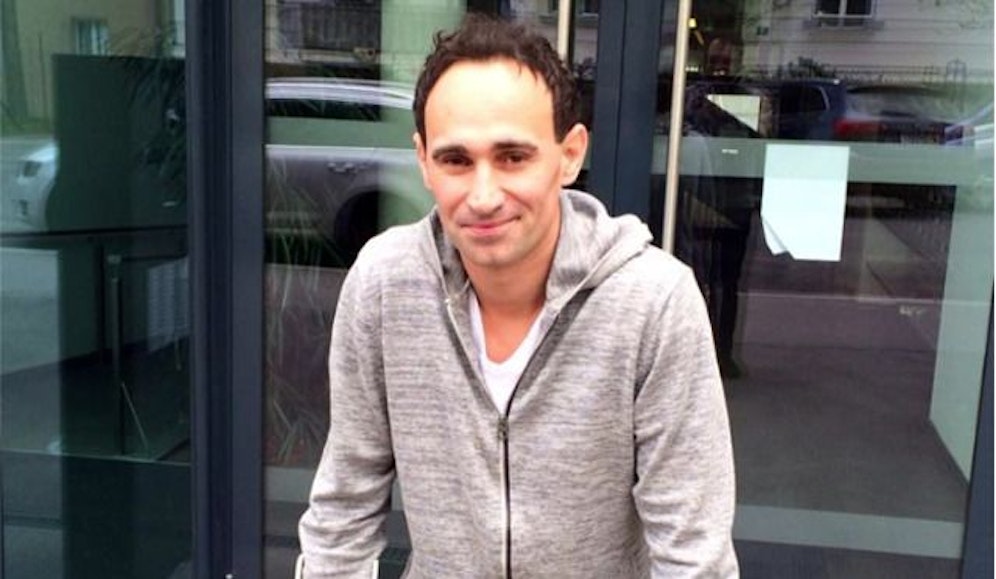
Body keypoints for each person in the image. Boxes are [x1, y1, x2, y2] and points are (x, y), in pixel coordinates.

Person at [298, 14, 738, 578]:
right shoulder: (384, 285)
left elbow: (694, 554)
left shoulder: (653, 302)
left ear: (570, 154)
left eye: (512, 157)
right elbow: (344, 509)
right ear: (424, 162)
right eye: (457, 160)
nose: (483, 196)